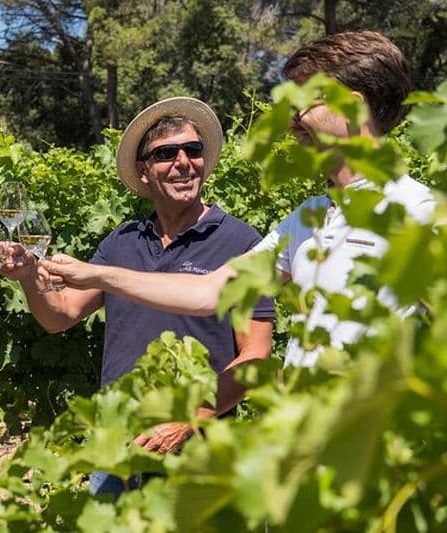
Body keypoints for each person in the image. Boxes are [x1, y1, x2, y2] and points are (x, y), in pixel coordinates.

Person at [42, 31, 434, 368]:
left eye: (306, 103)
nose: (293, 120)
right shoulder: (310, 218)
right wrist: (97, 275)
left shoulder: (420, 213)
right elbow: (209, 292)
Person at [2, 97, 274, 497]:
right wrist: (28, 277)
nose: (184, 162)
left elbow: (255, 357)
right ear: (144, 171)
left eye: (193, 150)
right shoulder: (122, 241)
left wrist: (189, 420)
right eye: (166, 153)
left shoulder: (241, 243)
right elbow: (60, 316)